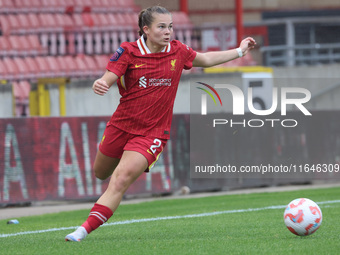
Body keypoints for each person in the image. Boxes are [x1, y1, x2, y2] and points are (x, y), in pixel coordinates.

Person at [65, 5, 256, 242]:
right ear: (146, 29)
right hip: (121, 126)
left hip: (152, 133)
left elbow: (205, 59)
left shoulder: (178, 51)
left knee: (121, 178)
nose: (168, 32)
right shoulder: (128, 51)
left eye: (171, 26)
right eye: (162, 26)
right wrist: (101, 83)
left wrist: (239, 51)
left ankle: (82, 230)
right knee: (100, 172)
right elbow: (109, 76)